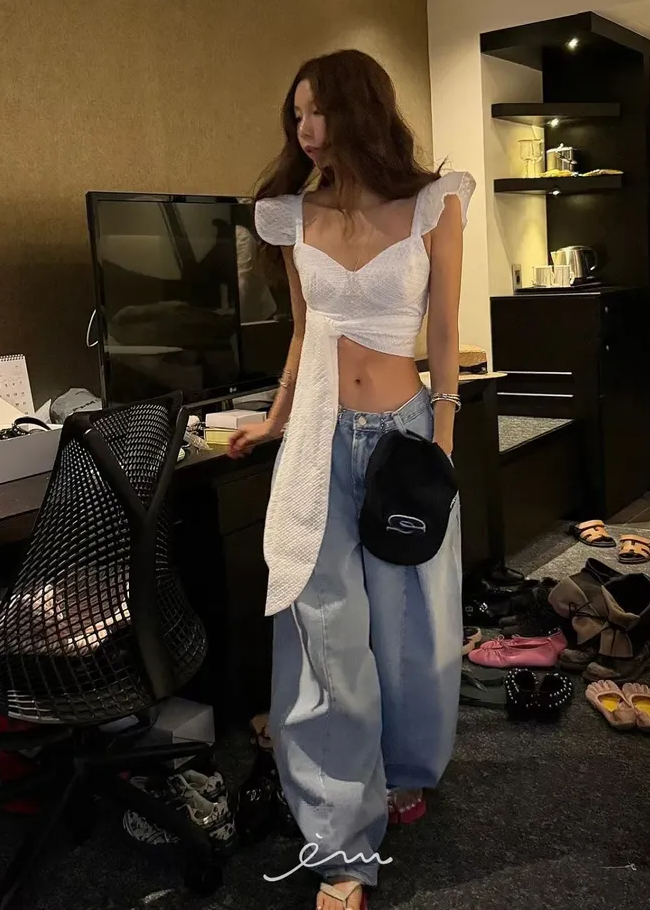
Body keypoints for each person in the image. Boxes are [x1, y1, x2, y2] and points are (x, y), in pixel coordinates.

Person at [228, 49, 475, 910]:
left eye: (319, 110)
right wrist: (274, 418)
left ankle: (402, 768)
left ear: (360, 109)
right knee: (325, 631)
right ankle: (341, 843)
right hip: (319, 441)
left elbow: (443, 331)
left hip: (404, 437)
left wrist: (443, 440)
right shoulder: (292, 216)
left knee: (412, 626)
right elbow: (304, 333)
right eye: (296, 113)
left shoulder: (434, 202)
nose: (305, 128)